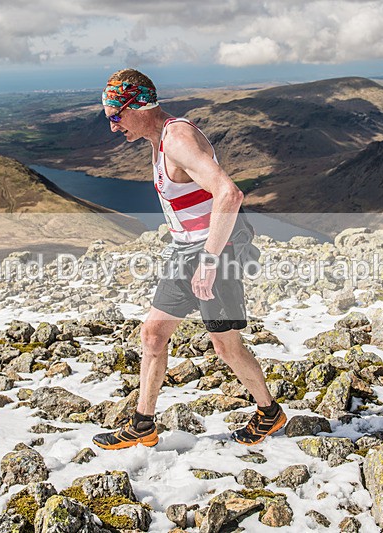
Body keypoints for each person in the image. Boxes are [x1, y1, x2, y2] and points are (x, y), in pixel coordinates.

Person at [92, 69, 286, 450]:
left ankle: (269, 412)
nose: (113, 127)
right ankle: (142, 423)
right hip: (185, 251)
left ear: (140, 106)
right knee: (153, 334)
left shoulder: (177, 139)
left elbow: (229, 194)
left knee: (225, 345)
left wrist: (210, 260)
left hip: (215, 252)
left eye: (116, 115)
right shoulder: (157, 138)